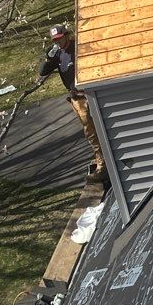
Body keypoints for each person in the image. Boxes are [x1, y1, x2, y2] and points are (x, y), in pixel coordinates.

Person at [39, 22, 108, 187]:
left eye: (60, 39)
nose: (58, 42)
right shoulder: (57, 54)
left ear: (67, 36)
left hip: (87, 95)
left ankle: (105, 164)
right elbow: (42, 71)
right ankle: (101, 163)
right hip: (75, 98)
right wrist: (49, 58)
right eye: (55, 40)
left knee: (97, 128)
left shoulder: (77, 49)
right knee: (90, 132)